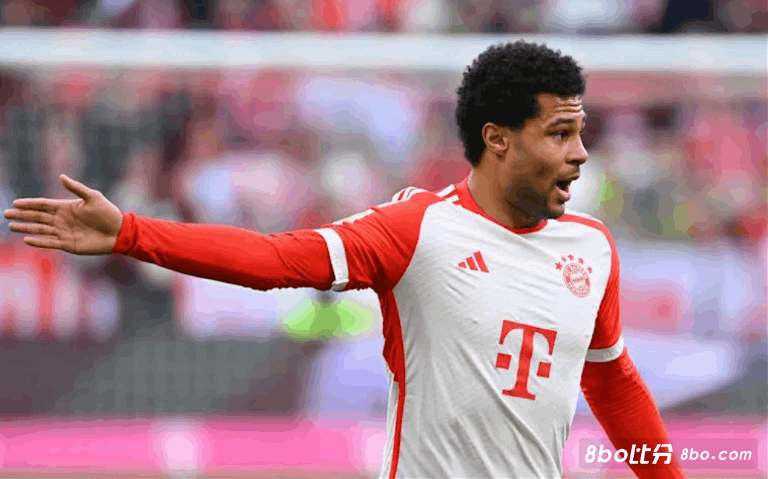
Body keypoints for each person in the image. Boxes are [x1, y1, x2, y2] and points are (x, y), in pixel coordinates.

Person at [4, 41, 684, 478]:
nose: (580, 153)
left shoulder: (591, 249)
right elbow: (273, 260)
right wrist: (131, 232)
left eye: (581, 132)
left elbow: (614, 384)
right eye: (560, 133)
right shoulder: (418, 229)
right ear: (498, 139)